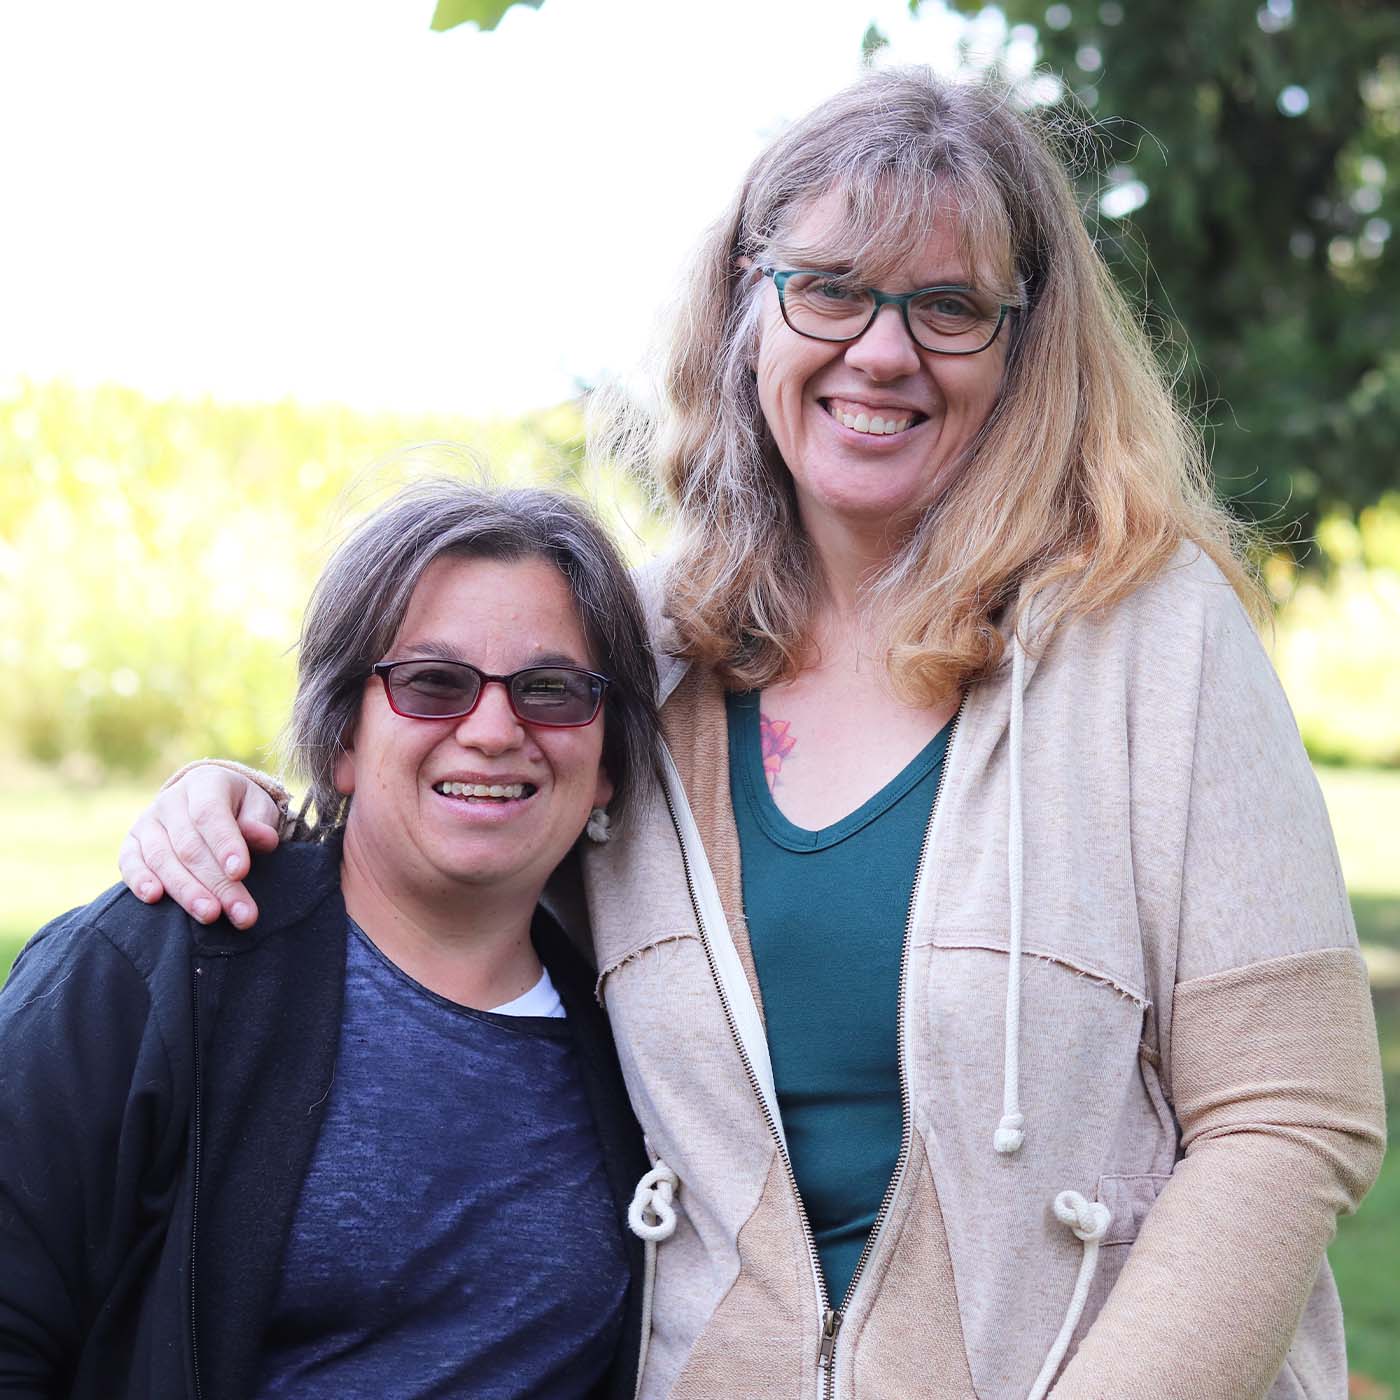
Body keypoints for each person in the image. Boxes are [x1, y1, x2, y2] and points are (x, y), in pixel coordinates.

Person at [113, 69, 1385, 1399]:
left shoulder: (1146, 632)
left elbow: (1290, 1114)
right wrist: (235, 797)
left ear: (1024, 348)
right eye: (830, 287)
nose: (882, 352)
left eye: (949, 306)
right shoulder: (642, 655)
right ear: (747, 310)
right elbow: (447, 835)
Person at [0, 480, 662, 1400]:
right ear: (343, 736)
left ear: (606, 766)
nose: (495, 730)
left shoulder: (649, 1040)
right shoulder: (157, 965)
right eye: (434, 683)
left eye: (552, 692)